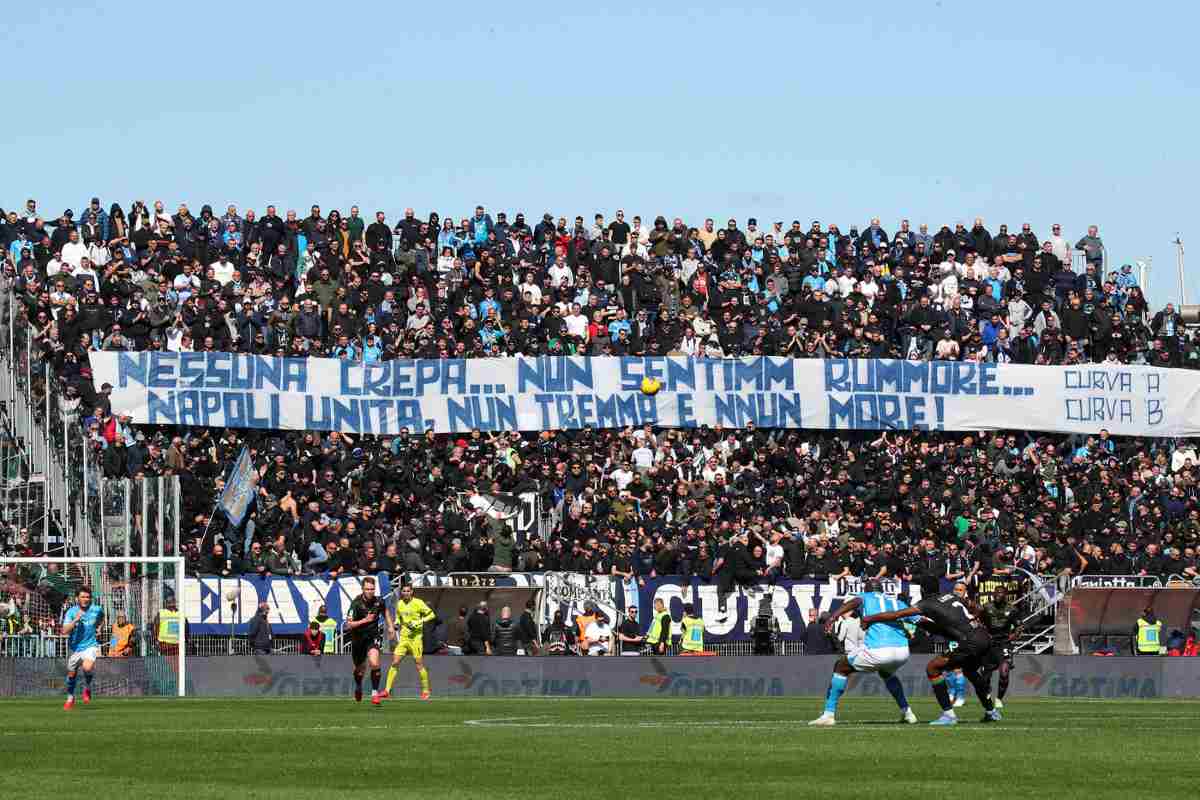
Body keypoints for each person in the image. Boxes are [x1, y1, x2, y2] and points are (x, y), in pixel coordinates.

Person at [861, 581, 1002, 726]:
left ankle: (949, 715)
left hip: (969, 641)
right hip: (982, 635)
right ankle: (991, 712)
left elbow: (896, 614)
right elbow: (974, 608)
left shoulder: (926, 604)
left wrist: (869, 618)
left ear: (922, 589)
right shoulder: (951, 596)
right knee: (970, 671)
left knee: (932, 668)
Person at [809, 579, 918, 726]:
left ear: (867, 590)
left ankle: (828, 714)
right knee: (886, 673)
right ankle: (908, 713)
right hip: (903, 651)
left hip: (879, 650)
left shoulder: (866, 596)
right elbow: (918, 619)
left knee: (840, 667)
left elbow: (853, 602)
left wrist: (833, 617)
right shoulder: (897, 602)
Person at [382, 583, 434, 700]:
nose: (405, 593)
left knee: (418, 664)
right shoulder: (399, 604)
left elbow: (431, 615)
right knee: (395, 662)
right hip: (404, 638)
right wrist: (395, 625)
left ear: (412, 592)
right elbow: (399, 619)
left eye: (408, 591)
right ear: (401, 592)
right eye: (404, 591)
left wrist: (419, 621)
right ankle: (387, 690)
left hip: (416, 638)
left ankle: (426, 690)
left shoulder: (418, 602)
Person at [344, 576, 387, 705]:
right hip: (358, 639)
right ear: (362, 589)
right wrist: (365, 620)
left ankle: (375, 694)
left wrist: (390, 626)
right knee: (360, 669)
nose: (370, 591)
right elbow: (348, 625)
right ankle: (358, 687)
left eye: (372, 589)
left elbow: (385, 612)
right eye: (367, 589)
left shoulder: (379, 601)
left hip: (372, 637)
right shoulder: (356, 603)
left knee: (374, 663)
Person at [61, 587, 104, 710]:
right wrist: (75, 620)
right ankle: (70, 697)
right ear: (77, 598)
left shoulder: (96, 609)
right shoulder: (71, 612)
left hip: (90, 645)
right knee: (71, 675)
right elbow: (64, 631)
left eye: (88, 597)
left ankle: (87, 687)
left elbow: (101, 617)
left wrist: (99, 627)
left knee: (87, 667)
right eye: (83, 597)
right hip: (74, 648)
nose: (85, 599)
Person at [980, 585, 1020, 709]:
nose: (998, 594)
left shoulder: (1012, 609)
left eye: (1001, 592)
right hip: (989, 643)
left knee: (1004, 671)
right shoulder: (986, 607)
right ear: (993, 594)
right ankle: (987, 695)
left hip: (1004, 643)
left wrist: (1015, 635)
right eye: (996, 592)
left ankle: (999, 699)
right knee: (985, 676)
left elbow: (1019, 625)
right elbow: (980, 622)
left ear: (1005, 595)